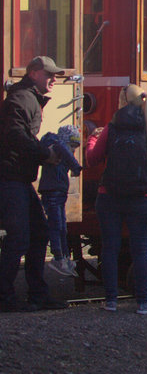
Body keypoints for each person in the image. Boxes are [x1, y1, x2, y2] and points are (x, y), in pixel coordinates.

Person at [87, 84, 147, 314]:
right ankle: (143, 303)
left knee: (110, 249)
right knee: (140, 251)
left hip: (109, 196)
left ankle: (110, 301)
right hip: (141, 197)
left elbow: (92, 158)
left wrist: (91, 139)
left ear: (123, 102)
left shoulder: (112, 126)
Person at [0, 56, 67, 312]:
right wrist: (44, 154)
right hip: (10, 177)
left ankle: (37, 293)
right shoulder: (22, 99)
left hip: (17, 177)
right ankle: (7, 297)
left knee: (38, 233)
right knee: (20, 237)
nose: (53, 79)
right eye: (49, 74)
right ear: (33, 73)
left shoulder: (26, 97)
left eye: (55, 76)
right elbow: (15, 135)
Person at [38, 124, 84, 276]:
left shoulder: (60, 150)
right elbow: (62, 148)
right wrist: (76, 166)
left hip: (59, 193)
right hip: (52, 192)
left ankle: (64, 257)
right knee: (56, 224)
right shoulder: (57, 146)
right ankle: (58, 257)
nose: (73, 150)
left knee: (62, 227)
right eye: (72, 146)